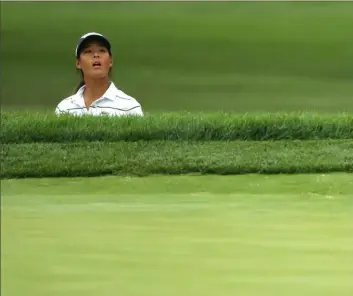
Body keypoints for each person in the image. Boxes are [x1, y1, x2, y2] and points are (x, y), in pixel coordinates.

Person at [55, 32, 144, 117]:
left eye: (102, 50)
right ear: (78, 63)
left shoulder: (129, 107)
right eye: (88, 51)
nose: (96, 55)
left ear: (110, 61)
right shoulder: (64, 108)